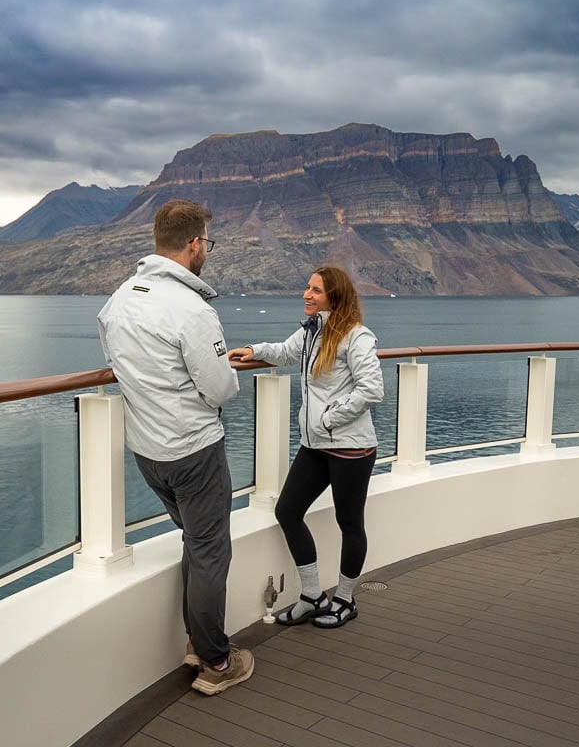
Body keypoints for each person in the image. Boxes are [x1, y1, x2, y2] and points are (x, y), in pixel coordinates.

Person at [96, 199, 253, 696]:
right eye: (208, 242)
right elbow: (221, 389)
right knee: (210, 552)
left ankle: (195, 642)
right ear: (194, 244)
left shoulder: (119, 300)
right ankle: (215, 662)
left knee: (195, 541)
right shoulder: (191, 309)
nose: (207, 250)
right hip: (193, 451)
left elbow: (122, 367)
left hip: (148, 454)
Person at [228, 266, 383, 628]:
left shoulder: (357, 337)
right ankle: (313, 595)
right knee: (288, 511)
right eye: (308, 288)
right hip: (315, 446)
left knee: (349, 523)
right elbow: (284, 351)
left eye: (315, 290)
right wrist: (252, 350)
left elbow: (372, 390)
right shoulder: (313, 331)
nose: (306, 294)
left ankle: (345, 599)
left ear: (334, 297)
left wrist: (329, 419)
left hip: (350, 448)